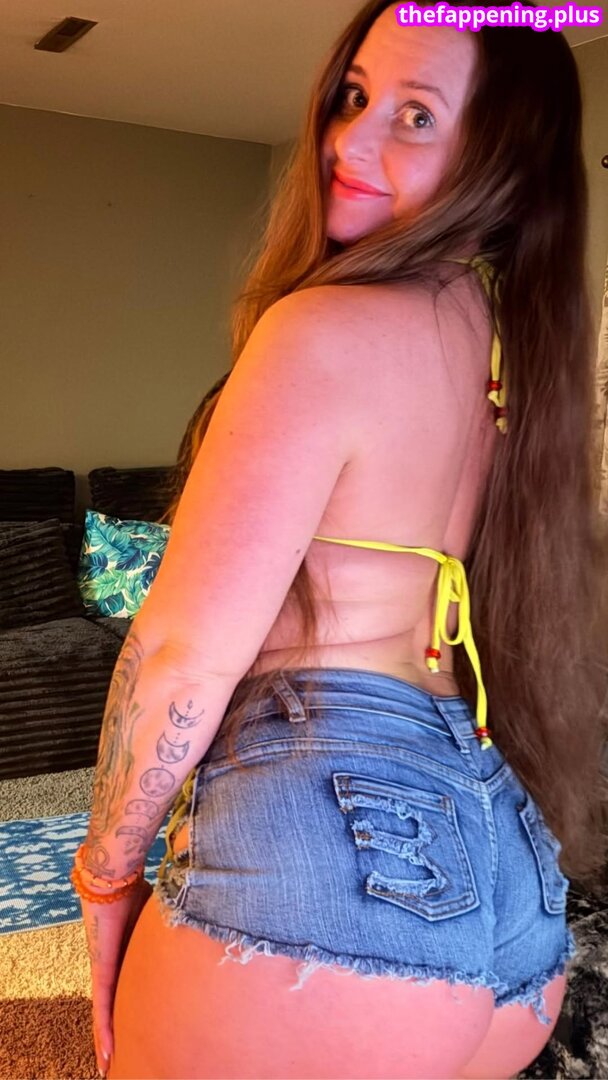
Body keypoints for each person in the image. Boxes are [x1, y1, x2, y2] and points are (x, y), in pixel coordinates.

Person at [72, 1, 608, 1077]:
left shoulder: (323, 327)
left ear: (501, 151)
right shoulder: (517, 366)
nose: (347, 142)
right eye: (355, 96)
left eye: (415, 115)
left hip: (328, 853)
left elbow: (180, 654)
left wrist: (104, 874)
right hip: (507, 876)